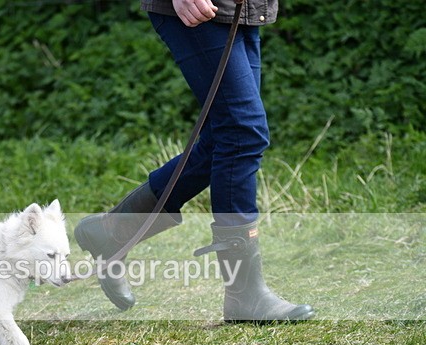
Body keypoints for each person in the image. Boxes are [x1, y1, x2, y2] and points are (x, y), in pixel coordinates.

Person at [74, 0, 314, 322]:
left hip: (241, 7)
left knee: (225, 137)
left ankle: (113, 231)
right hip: (199, 8)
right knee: (242, 131)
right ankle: (245, 295)